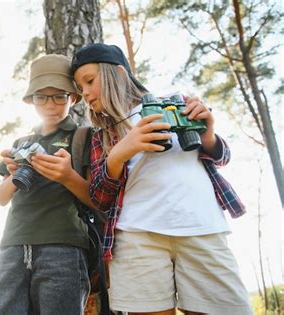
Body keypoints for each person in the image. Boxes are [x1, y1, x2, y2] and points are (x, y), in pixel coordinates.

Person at [70, 43, 252, 315]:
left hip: (202, 228)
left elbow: (222, 157)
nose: (84, 93)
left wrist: (208, 134)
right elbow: (100, 199)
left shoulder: (174, 102)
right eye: (79, 88)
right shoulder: (101, 135)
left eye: (89, 81)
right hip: (137, 237)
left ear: (118, 74)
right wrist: (119, 153)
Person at [0, 54, 93, 315]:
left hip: (63, 246)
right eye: (41, 97)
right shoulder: (21, 142)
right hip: (14, 244)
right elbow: (1, 198)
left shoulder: (83, 137)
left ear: (73, 97)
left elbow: (98, 199)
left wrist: (67, 176)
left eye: (59, 96)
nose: (50, 105)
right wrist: (14, 175)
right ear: (31, 100)